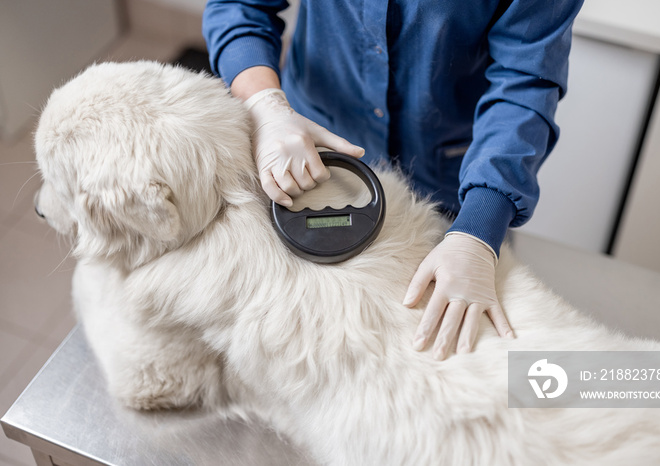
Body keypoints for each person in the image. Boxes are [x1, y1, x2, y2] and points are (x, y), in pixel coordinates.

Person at [203, 0, 583, 360]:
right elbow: (241, 5)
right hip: (310, 158)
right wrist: (264, 104)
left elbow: (526, 80)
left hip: (459, 185)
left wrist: (478, 232)